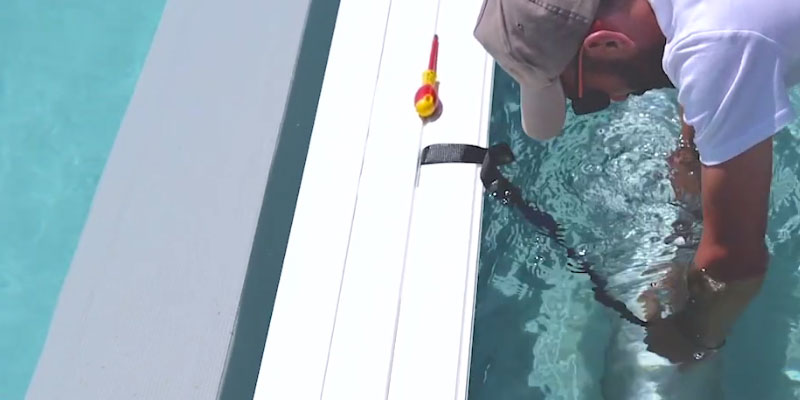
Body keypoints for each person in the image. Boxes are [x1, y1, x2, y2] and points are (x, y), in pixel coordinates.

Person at [473, 0, 800, 364]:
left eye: (588, 98)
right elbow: (706, 68)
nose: (615, 99)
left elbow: (737, 261)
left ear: (607, 44)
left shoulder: (715, 43)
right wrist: (691, 150)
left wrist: (690, 339)